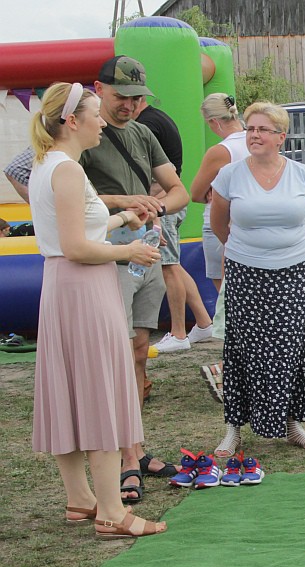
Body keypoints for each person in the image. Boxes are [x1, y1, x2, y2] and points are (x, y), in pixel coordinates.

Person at [27, 82, 165, 539]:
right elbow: (76, 247)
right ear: (72, 121)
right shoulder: (66, 169)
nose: (103, 120)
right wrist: (130, 253)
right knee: (100, 392)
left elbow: (80, 228)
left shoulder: (52, 165)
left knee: (71, 392)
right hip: (83, 287)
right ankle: (111, 512)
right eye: (95, 114)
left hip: (66, 287)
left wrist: (124, 219)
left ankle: (80, 499)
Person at [82, 55, 191, 501]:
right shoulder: (82, 131)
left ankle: (136, 448)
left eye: (136, 98)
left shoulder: (144, 133)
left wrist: (155, 207)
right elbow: (48, 186)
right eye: (120, 97)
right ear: (98, 88)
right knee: (119, 353)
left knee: (140, 351)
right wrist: (123, 202)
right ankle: (126, 457)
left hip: (148, 251)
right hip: (109, 255)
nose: (129, 105)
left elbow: (180, 189)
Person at [210, 102, 305, 456]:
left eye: (262, 129)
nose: (254, 135)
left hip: (295, 270)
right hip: (246, 271)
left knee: (291, 347)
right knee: (241, 348)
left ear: (281, 137)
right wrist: (245, 250)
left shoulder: (302, 174)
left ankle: (293, 424)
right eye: (250, 129)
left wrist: (291, 249)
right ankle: (233, 428)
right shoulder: (230, 175)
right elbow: (220, 224)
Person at [135, 96, 214, 354]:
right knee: (174, 265)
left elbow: (158, 175)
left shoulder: (146, 125)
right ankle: (203, 321)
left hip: (163, 205)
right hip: (168, 204)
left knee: (168, 268)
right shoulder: (158, 118)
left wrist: (153, 209)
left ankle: (179, 333)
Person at [190, 92, 250, 404]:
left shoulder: (221, 150)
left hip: (222, 226)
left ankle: (233, 373)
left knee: (228, 306)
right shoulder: (255, 141)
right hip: (251, 227)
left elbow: (196, 192)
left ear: (214, 122)